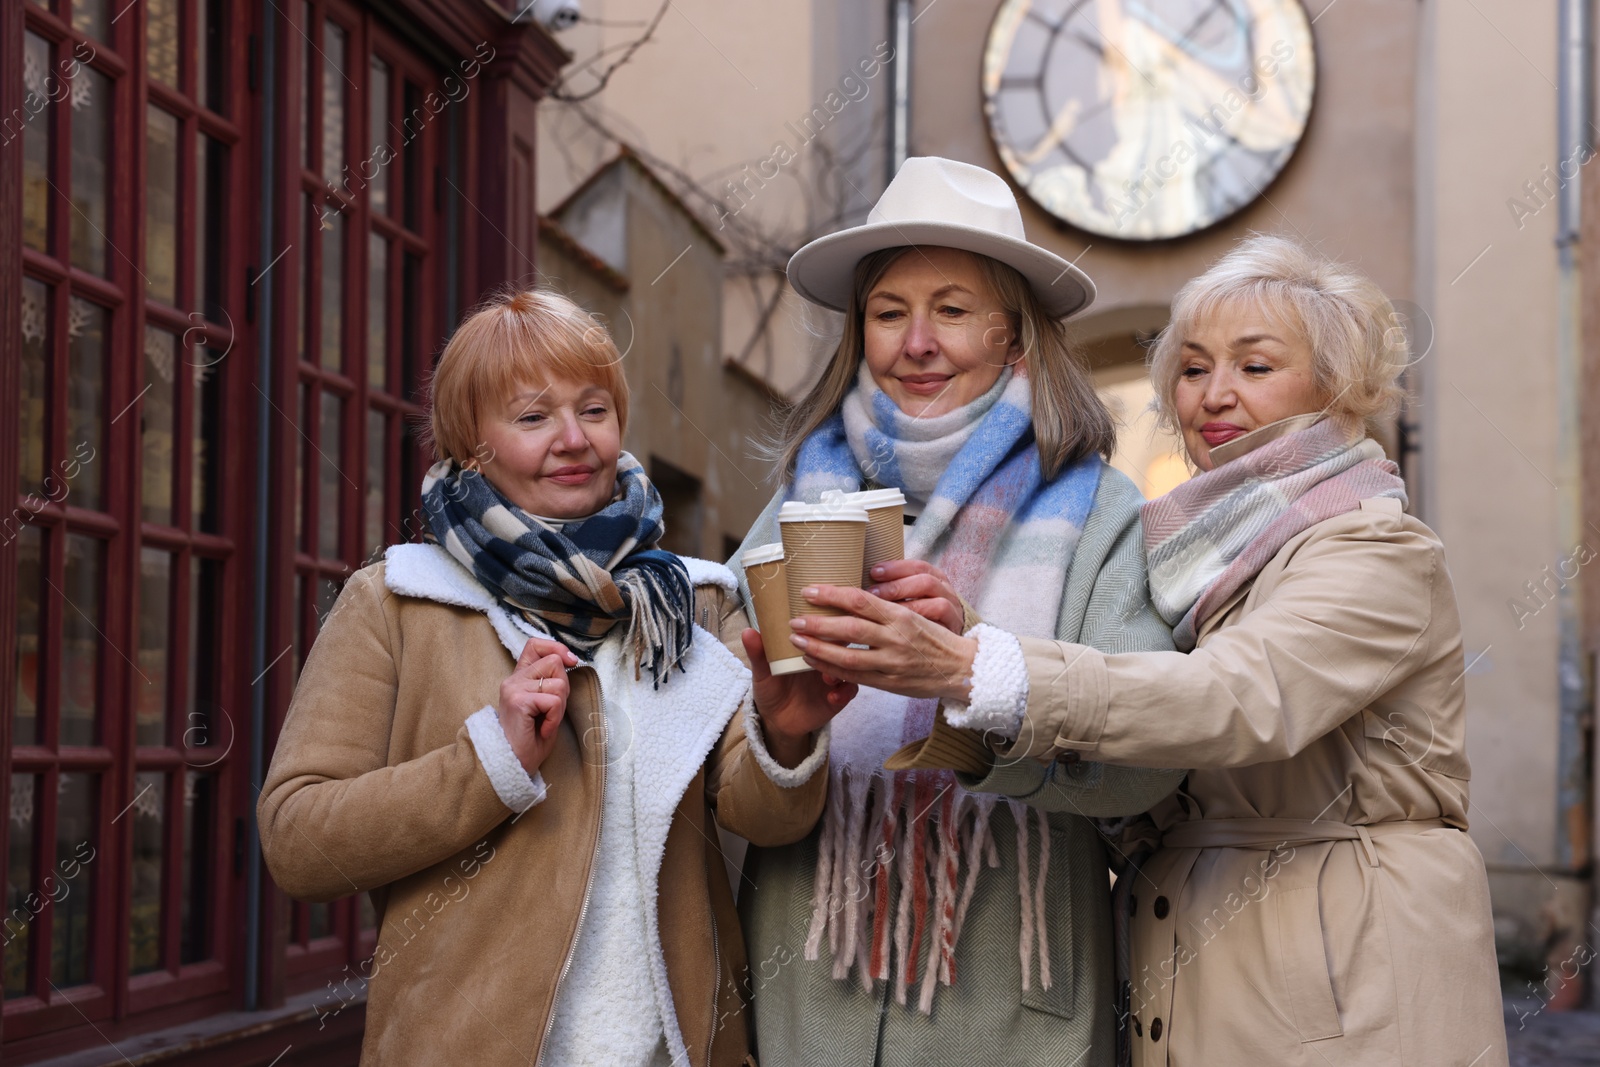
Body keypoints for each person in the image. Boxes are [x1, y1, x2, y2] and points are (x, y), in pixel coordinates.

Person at [793, 234, 1508, 1067]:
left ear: (1337, 386)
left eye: (1255, 365)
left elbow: (1232, 700)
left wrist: (971, 665)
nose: (1215, 393)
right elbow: (1139, 753)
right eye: (1195, 367)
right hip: (1209, 965)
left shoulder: (1375, 548)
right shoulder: (1205, 553)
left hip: (1346, 982)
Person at [258, 289, 854, 1066]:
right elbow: (297, 841)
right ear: (474, 444)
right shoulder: (397, 600)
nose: (574, 439)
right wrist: (487, 763)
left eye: (595, 409)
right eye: (533, 417)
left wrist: (785, 732)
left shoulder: (692, 599)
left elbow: (763, 820)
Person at [728, 156, 1184, 1067]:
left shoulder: (1102, 511)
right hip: (801, 1002)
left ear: (1015, 339)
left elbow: (1148, 768)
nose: (917, 341)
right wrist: (783, 736)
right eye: (889, 313)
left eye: (952, 309)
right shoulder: (792, 509)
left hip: (1013, 1009)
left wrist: (976, 668)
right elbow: (723, 780)